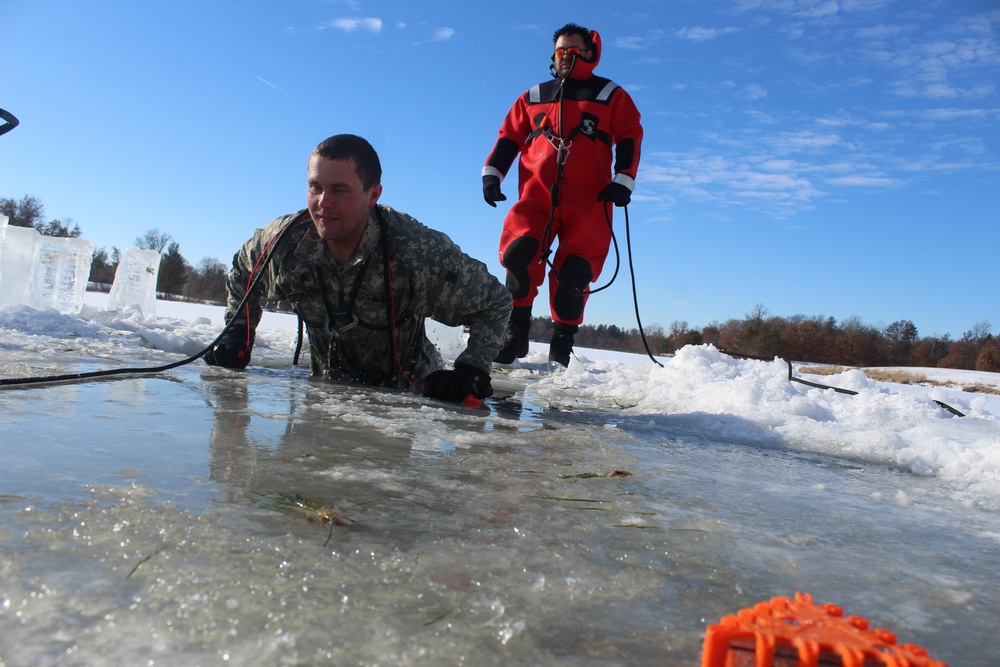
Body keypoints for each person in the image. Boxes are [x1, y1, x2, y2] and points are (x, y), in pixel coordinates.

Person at [205, 134, 512, 403]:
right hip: (327, 395)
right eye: (315, 187)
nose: (323, 202)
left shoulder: (415, 250)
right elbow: (244, 272)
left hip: (411, 401)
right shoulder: (285, 242)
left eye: (340, 190)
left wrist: (471, 369)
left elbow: (495, 303)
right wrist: (238, 333)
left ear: (373, 195)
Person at [482, 22, 643, 367]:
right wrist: (493, 174)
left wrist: (624, 178)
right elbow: (509, 136)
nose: (567, 56)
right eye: (560, 50)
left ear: (590, 53)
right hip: (537, 196)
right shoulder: (534, 96)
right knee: (517, 256)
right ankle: (516, 334)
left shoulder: (610, 94)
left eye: (574, 50)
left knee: (574, 273)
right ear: (552, 56)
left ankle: (562, 343)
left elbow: (630, 134)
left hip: (591, 201)